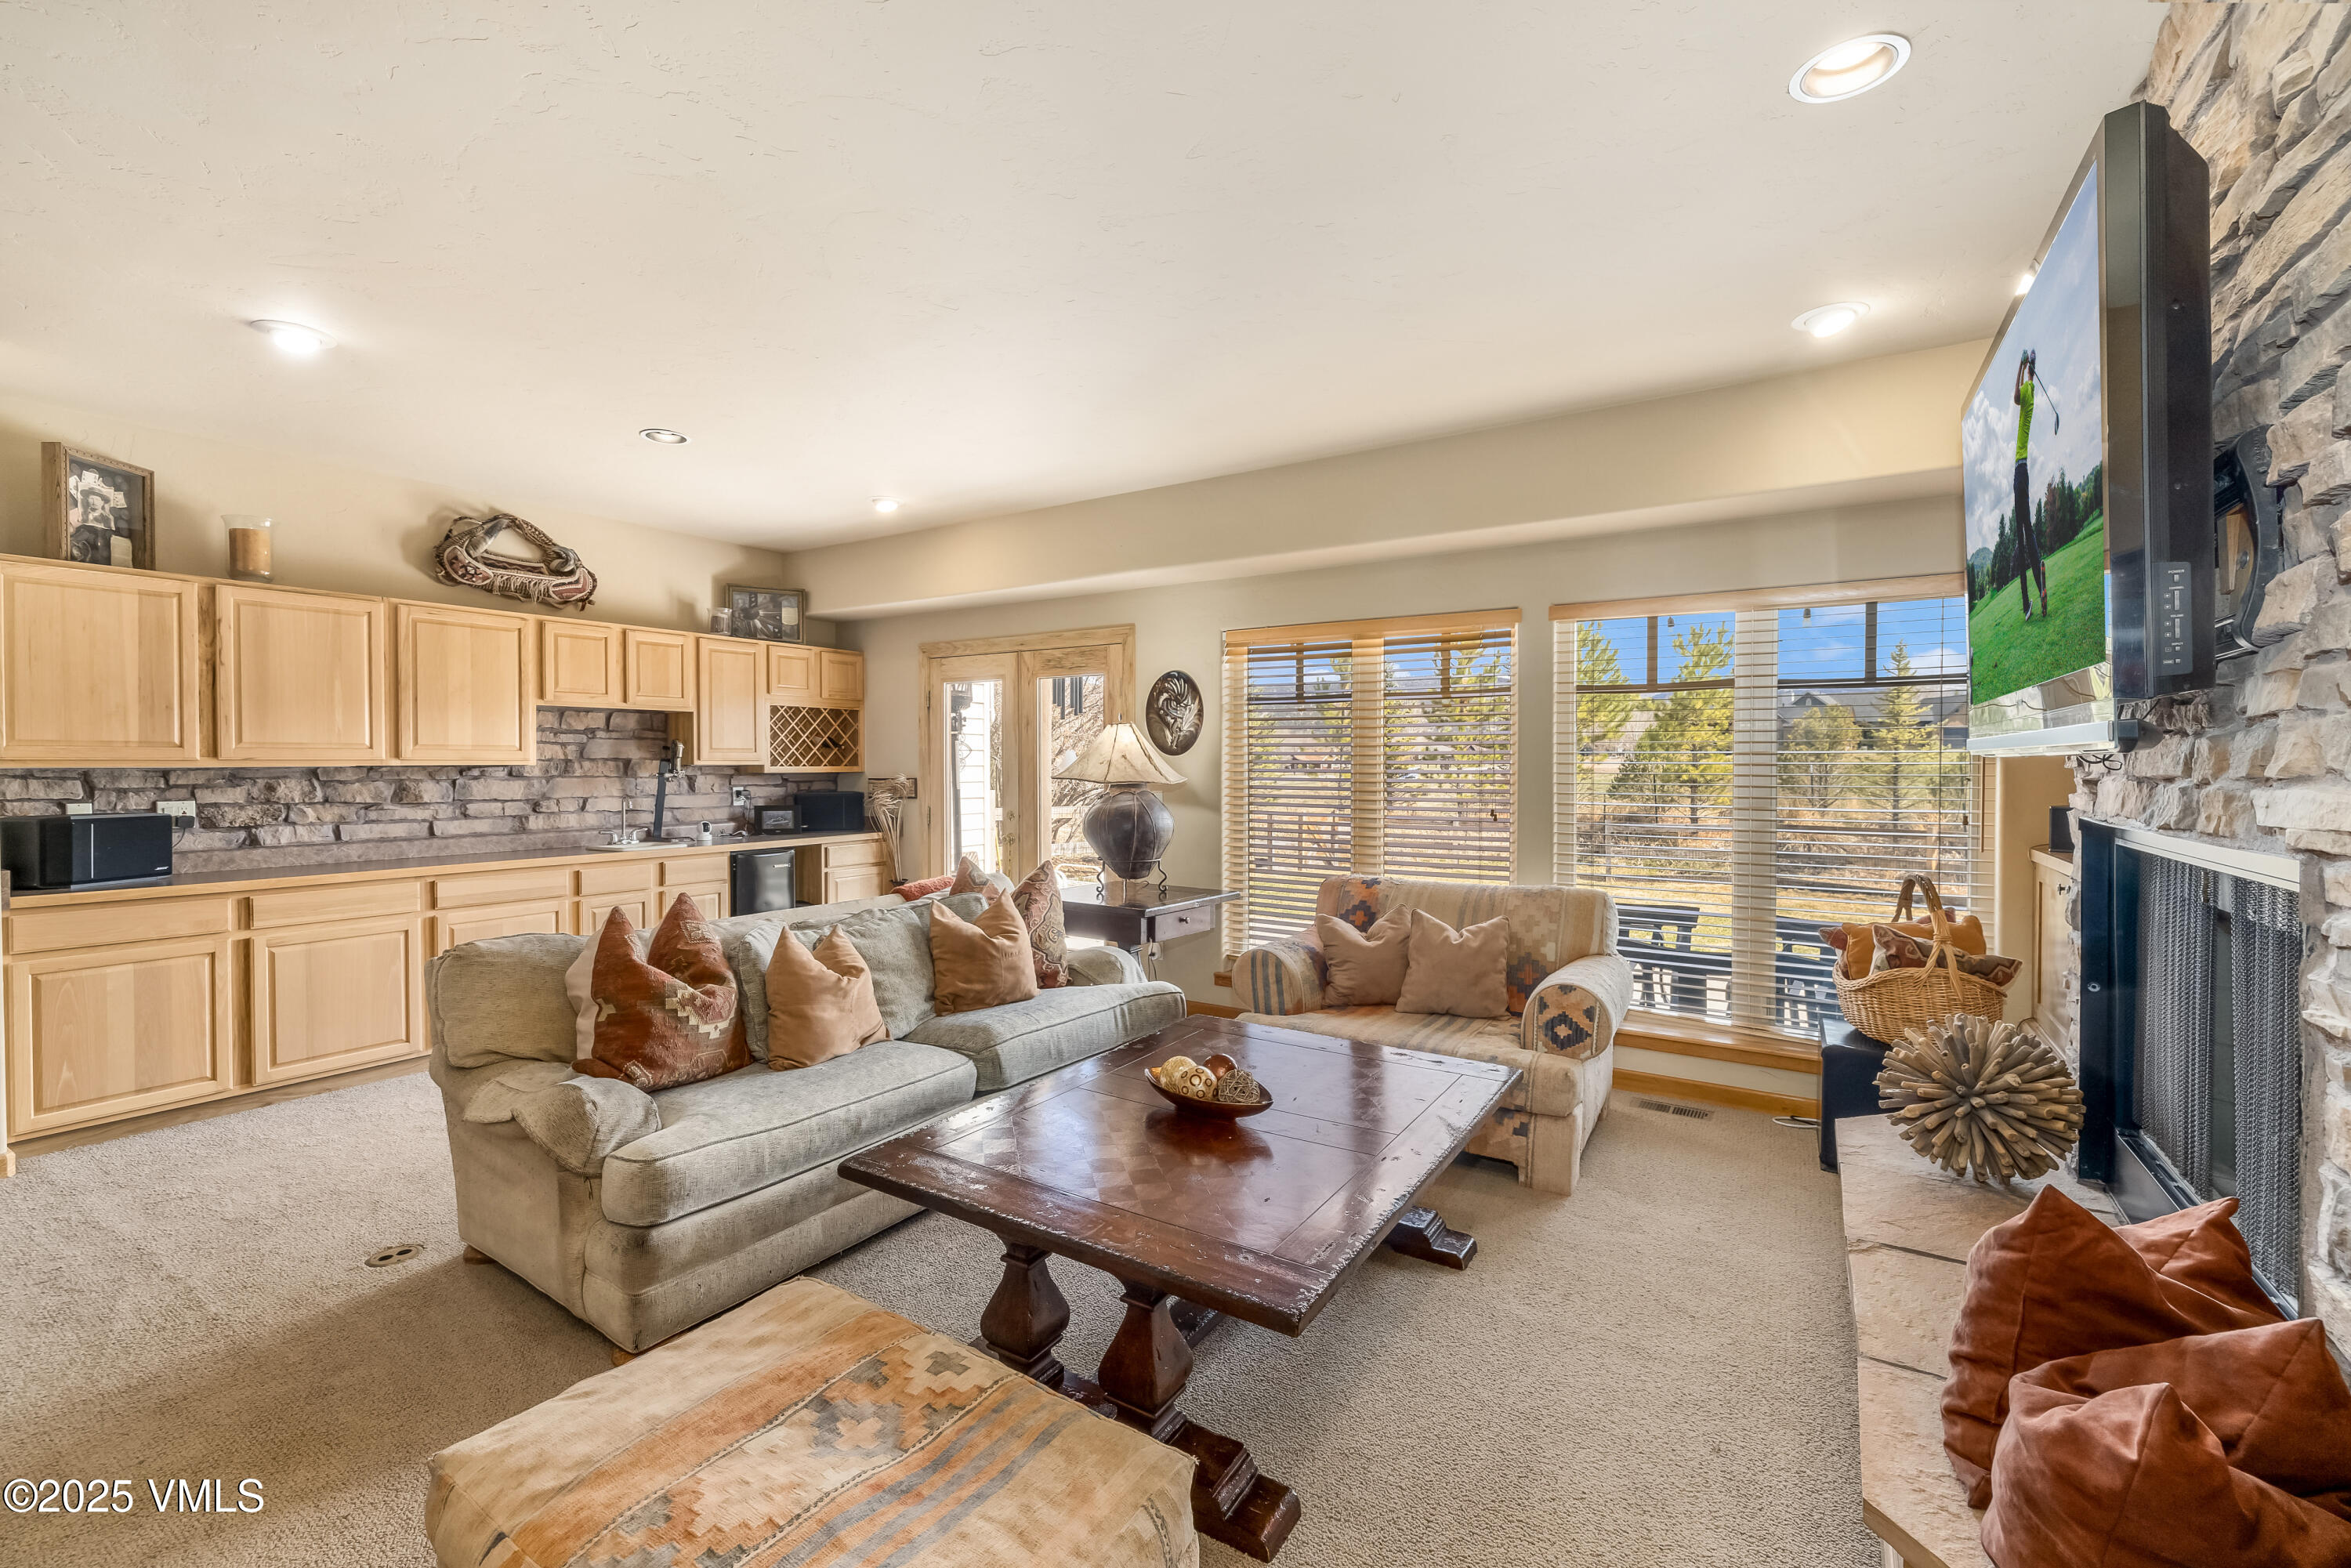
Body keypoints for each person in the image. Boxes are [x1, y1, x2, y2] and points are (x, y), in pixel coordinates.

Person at [2011, 350, 2050, 621]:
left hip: (2020, 472)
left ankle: (2027, 603)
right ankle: (2040, 588)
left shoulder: (2025, 393)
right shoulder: (2033, 390)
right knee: (2028, 534)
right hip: (2024, 473)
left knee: (2021, 538)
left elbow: (2015, 396)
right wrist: (2030, 366)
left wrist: (2020, 364)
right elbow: (2030, 380)